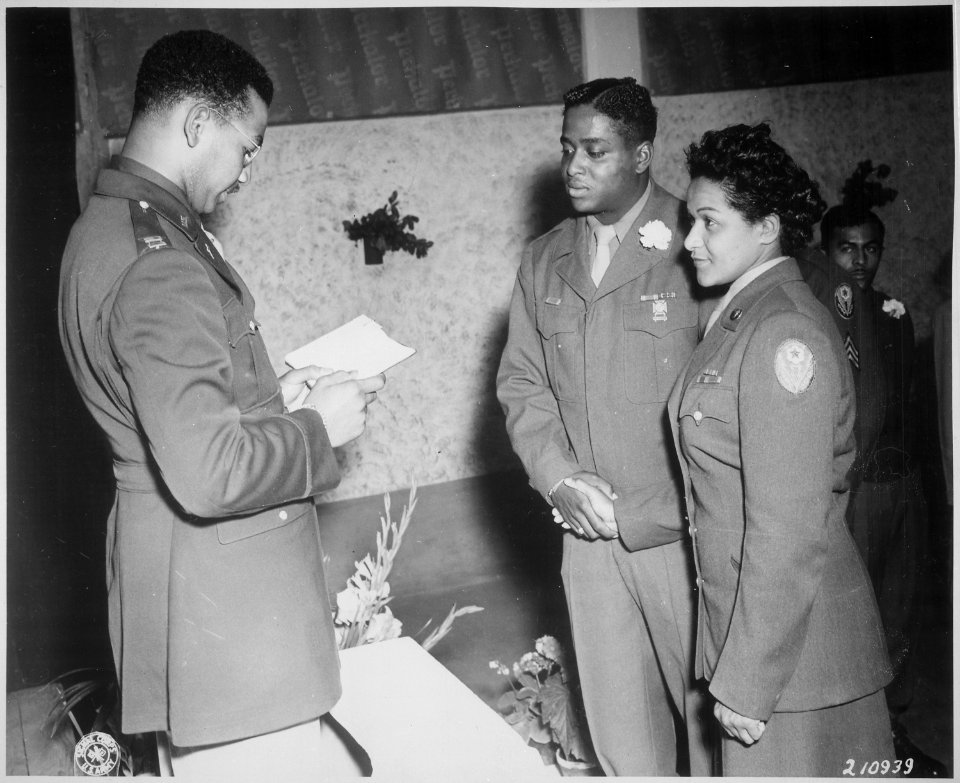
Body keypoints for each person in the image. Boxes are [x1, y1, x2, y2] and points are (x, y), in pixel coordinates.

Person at [58, 30, 383, 779]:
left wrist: (275, 401)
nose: (247, 170)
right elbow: (206, 469)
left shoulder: (106, 229)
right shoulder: (162, 259)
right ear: (199, 125)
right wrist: (317, 429)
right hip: (229, 619)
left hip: (180, 587)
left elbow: (171, 409)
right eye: (248, 146)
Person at [497, 77, 712, 776]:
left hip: (681, 539)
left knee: (715, 740)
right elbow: (522, 384)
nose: (573, 168)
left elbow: (726, 406)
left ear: (643, 155)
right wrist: (558, 479)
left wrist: (647, 514)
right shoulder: (544, 257)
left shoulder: (699, 244)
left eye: (595, 151)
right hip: (587, 540)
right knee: (624, 746)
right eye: (567, 149)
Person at [668, 122, 894, 776]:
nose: (690, 239)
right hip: (767, 645)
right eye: (691, 220)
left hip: (793, 664)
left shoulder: (782, 332)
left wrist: (746, 679)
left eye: (709, 222)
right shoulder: (742, 316)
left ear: (766, 225)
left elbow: (789, 526)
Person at [816, 202, 943, 774]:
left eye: (871, 248)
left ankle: (894, 731)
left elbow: (913, 405)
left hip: (900, 489)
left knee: (899, 612)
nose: (860, 260)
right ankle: (856, 741)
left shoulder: (894, 315)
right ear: (828, 251)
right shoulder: (819, 314)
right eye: (848, 247)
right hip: (855, 494)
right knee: (855, 620)